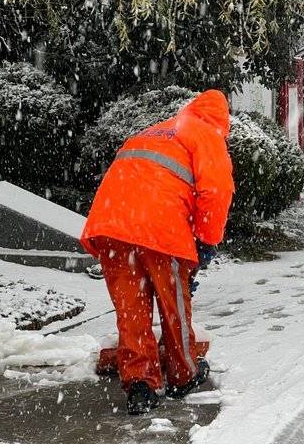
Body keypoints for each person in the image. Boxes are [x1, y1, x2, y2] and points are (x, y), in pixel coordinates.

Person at [81, 90, 234, 414]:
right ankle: (183, 375)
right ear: (222, 119)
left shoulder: (153, 131)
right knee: (174, 306)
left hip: (111, 225)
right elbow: (216, 191)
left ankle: (141, 384)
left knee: (131, 310)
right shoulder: (205, 132)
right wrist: (206, 243)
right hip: (159, 228)